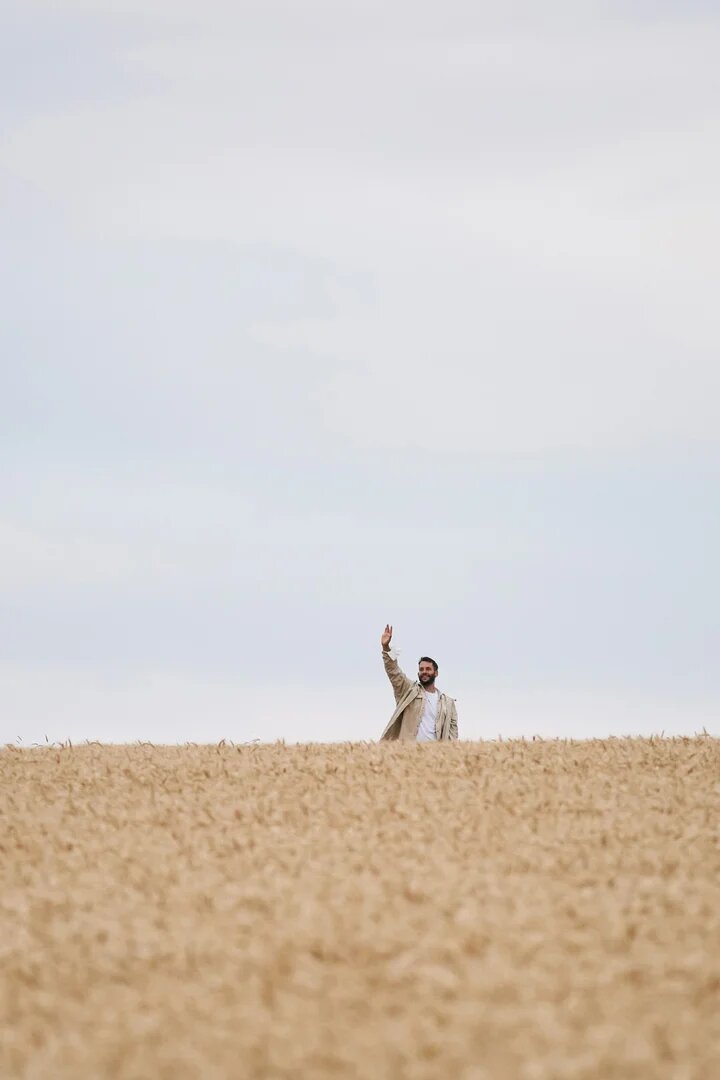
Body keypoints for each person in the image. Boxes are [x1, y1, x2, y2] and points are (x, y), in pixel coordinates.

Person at [379, 624, 459, 742]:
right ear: (418, 674)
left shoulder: (448, 703)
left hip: (434, 755)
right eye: (421, 669)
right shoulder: (408, 690)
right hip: (407, 752)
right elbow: (393, 672)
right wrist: (386, 648)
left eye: (428, 669)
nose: (424, 672)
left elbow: (453, 735)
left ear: (436, 673)